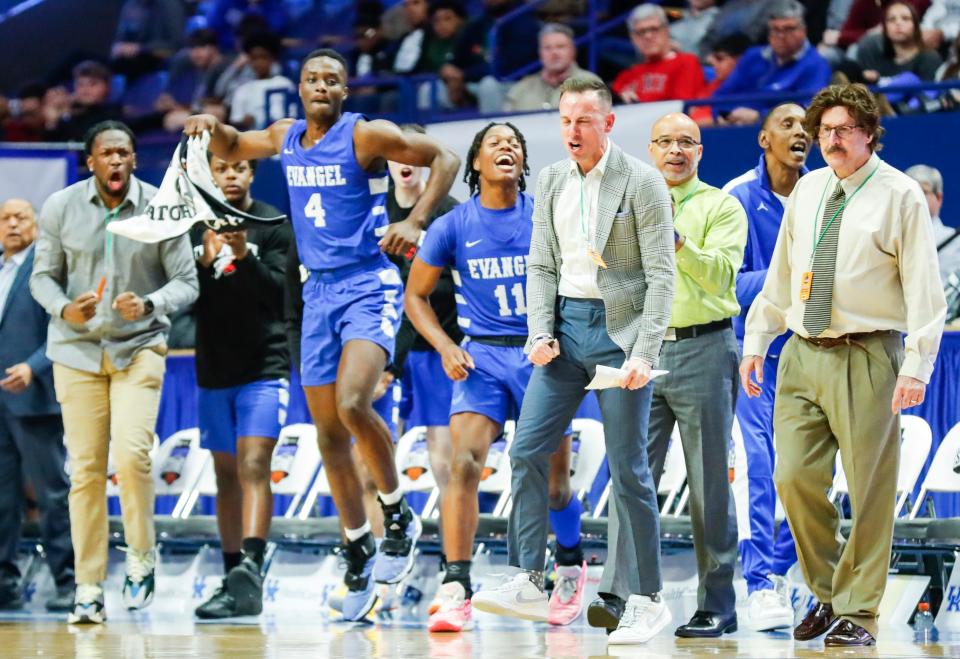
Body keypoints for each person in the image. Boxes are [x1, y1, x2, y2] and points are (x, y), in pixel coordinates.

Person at [184, 48, 460, 622]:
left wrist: (414, 220)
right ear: (301, 87)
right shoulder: (285, 136)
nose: (320, 86)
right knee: (329, 434)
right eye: (312, 78)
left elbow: (448, 159)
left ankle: (397, 513)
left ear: (343, 91)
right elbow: (233, 145)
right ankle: (358, 543)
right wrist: (212, 126)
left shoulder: (366, 136)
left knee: (355, 402)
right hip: (316, 295)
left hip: (367, 284)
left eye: (332, 79)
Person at [470, 75, 676, 646]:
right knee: (527, 448)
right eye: (565, 120)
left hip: (620, 335)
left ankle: (648, 597)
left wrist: (644, 352)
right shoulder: (554, 179)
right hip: (566, 332)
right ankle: (529, 577)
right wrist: (540, 331)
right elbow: (541, 266)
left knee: (630, 468)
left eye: (584, 120)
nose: (573, 131)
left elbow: (662, 276)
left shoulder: (643, 181)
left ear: (608, 123)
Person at [741, 83, 947, 646]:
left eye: (844, 130)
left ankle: (859, 611)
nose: (832, 140)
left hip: (868, 352)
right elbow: (783, 273)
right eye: (824, 131)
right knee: (792, 477)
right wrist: (758, 339)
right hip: (803, 352)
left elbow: (926, 290)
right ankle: (829, 591)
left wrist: (917, 367)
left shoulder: (899, 194)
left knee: (870, 488)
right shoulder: (808, 190)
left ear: (868, 134)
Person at [406, 122, 588, 633]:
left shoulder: (546, 216)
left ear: (523, 162)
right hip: (482, 357)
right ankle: (456, 582)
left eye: (515, 143)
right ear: (476, 164)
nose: (506, 147)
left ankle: (570, 561)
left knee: (554, 484)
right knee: (463, 464)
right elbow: (414, 296)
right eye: (495, 143)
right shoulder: (453, 225)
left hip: (541, 359)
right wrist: (444, 345)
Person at [30, 120, 198, 624]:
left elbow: (186, 282)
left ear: (133, 159)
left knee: (131, 455)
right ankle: (88, 587)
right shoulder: (61, 206)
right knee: (83, 471)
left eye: (124, 153)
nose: (117, 161)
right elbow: (42, 277)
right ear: (91, 161)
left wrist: (148, 303)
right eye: (107, 154)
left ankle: (142, 554)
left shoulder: (159, 206)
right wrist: (65, 310)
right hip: (76, 351)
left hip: (139, 346)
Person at [644, 112, 746, 639]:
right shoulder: (627, 206)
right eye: (666, 141)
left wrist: (675, 236)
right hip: (641, 353)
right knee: (632, 479)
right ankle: (633, 597)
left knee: (709, 484)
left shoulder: (721, 206)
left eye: (688, 142)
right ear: (650, 149)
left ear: (701, 152)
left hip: (704, 347)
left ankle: (718, 604)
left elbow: (722, 274)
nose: (676, 150)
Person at [188, 154, 292, 619]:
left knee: (254, 464)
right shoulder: (195, 228)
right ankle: (233, 578)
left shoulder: (272, 224)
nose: (231, 176)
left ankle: (250, 566)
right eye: (222, 169)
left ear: (252, 174)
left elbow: (280, 295)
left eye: (240, 168)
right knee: (225, 476)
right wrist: (201, 267)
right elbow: (186, 299)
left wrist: (244, 255)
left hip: (264, 367)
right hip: (213, 369)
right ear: (210, 175)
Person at [722, 102, 810, 631]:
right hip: (753, 354)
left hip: (814, 352)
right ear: (763, 139)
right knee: (760, 465)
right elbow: (726, 287)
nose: (799, 133)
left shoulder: (826, 192)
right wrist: (788, 279)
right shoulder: (736, 198)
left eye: (805, 127)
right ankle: (758, 583)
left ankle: (789, 572)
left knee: (809, 471)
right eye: (788, 125)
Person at [0, 199, 74, 613]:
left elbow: (62, 330)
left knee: (50, 494)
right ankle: (4, 581)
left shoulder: (47, 270)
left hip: (35, 399)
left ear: (35, 225)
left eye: (21, 217)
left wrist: (31, 367)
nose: (12, 224)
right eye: (5, 218)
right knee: (2, 497)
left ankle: (68, 580)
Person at [385, 125, 460, 507]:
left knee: (444, 460)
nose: (406, 162)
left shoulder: (451, 215)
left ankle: (455, 551)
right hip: (386, 351)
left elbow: (457, 288)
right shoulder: (372, 211)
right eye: (399, 153)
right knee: (377, 456)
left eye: (416, 155)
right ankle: (386, 542)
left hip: (436, 348)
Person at [712, 0, 832, 125]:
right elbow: (721, 96)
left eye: (788, 29)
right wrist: (722, 114)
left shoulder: (816, 65)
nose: (781, 36)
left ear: (803, 30)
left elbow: (808, 109)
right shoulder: (752, 57)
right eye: (775, 29)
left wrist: (761, 117)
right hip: (733, 129)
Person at [611, 4, 706, 104]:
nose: (648, 36)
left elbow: (679, 110)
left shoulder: (686, 62)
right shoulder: (626, 76)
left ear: (666, 30)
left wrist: (636, 104)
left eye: (654, 29)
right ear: (633, 38)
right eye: (641, 32)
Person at [503, 23, 584, 113]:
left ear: (573, 51)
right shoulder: (522, 88)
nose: (554, 53)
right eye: (547, 48)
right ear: (540, 53)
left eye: (560, 47)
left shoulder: (592, 85)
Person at [854, 2, 942, 83]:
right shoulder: (877, 59)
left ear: (916, 26)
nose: (898, 23)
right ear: (885, 29)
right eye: (892, 20)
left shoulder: (929, 58)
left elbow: (928, 96)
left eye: (905, 18)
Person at [228, 31, 294, 130]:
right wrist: (244, 122)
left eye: (263, 57)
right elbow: (235, 121)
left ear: (272, 59)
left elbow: (294, 115)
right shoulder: (242, 90)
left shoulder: (285, 84)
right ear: (249, 60)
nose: (259, 62)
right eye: (254, 58)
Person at [906, 164, 960, 283]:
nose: (915, 197)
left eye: (923, 191)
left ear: (939, 198)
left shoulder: (955, 242)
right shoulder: (888, 238)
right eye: (909, 191)